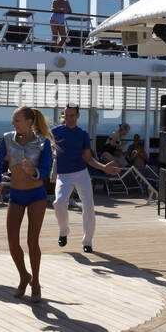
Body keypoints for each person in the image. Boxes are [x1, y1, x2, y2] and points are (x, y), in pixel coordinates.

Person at [0, 106, 56, 301]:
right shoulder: (7, 138)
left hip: (36, 195)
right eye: (13, 120)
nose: (13, 123)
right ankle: (24, 276)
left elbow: (46, 171)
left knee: (32, 241)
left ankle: (36, 283)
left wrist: (33, 171)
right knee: (12, 241)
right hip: (16, 195)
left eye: (17, 120)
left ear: (29, 122)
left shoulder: (42, 142)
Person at [51, 104, 118, 253]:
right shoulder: (55, 132)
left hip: (81, 174)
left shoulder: (82, 134)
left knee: (88, 207)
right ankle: (63, 232)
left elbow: (88, 158)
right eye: (66, 115)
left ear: (77, 116)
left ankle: (87, 242)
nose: (69, 118)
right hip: (63, 176)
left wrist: (103, 167)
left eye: (72, 115)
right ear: (64, 115)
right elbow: (40, 140)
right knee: (59, 202)